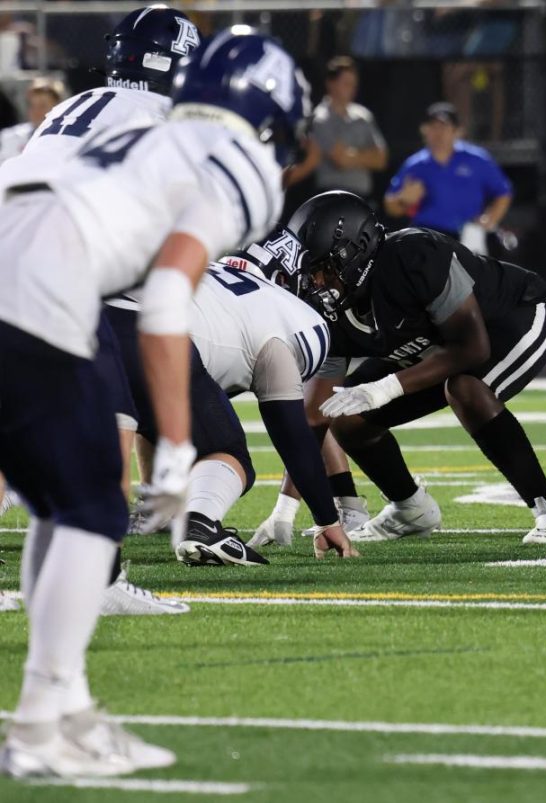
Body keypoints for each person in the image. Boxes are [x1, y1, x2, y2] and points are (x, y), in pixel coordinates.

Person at [0, 29, 311, 780]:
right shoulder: (228, 161)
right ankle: (42, 726)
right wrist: (175, 445)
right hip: (43, 285)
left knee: (63, 501)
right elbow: (167, 297)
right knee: (90, 511)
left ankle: (63, 709)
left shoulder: (98, 111)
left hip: (21, 249)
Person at [0, 5, 203, 617]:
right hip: (50, 266)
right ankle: (98, 581)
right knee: (95, 431)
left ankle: (100, 574)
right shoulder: (164, 119)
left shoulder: (75, 104)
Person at [271, 191, 546, 545]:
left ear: (359, 249)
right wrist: (285, 507)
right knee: (344, 413)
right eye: (310, 271)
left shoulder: (414, 255)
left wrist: (386, 387)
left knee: (464, 389)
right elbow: (315, 416)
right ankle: (410, 508)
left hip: (512, 322)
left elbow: (473, 348)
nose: (316, 283)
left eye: (323, 268)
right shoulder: (335, 309)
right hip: (440, 346)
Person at [103, 247, 356, 565]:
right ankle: (200, 525)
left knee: (115, 437)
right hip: (156, 339)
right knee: (226, 452)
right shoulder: (289, 314)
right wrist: (327, 519)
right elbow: (293, 434)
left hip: (91, 319)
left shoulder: (214, 276)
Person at [383, 102, 512, 246]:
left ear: (458, 131)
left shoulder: (477, 159)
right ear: (424, 130)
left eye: (444, 126)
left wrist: (490, 218)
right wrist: (403, 200)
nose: (438, 133)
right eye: (433, 127)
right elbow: (390, 205)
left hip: (467, 236)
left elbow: (503, 192)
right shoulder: (415, 164)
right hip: (428, 237)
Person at [286, 56, 388, 197]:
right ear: (331, 84)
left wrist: (351, 155)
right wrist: (366, 155)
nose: (351, 89)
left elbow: (381, 159)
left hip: (362, 198)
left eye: (353, 84)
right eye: (346, 83)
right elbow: (341, 160)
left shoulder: (364, 116)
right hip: (332, 195)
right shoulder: (320, 119)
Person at [0, 78, 64, 164]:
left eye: (42, 105)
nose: (36, 111)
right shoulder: (9, 137)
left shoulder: (67, 139)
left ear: (58, 107)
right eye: (32, 105)